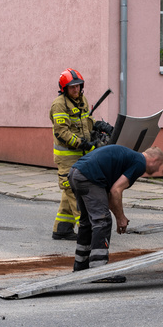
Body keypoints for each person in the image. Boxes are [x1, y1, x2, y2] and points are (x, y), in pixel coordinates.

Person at [68, 145, 163, 283]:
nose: (158, 169)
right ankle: (98, 270)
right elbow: (116, 191)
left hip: (76, 172)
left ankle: (80, 264)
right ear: (154, 159)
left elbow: (108, 198)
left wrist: (120, 216)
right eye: (160, 165)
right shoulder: (139, 163)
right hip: (89, 176)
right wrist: (120, 218)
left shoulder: (128, 157)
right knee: (102, 222)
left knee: (88, 222)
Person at [49, 68, 113, 240]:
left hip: (80, 154)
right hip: (67, 156)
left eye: (78, 86)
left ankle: (62, 229)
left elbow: (86, 121)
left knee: (69, 190)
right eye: (72, 87)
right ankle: (88, 230)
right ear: (64, 89)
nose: (76, 90)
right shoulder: (59, 104)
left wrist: (99, 126)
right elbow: (62, 132)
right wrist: (83, 144)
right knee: (74, 190)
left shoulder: (81, 100)